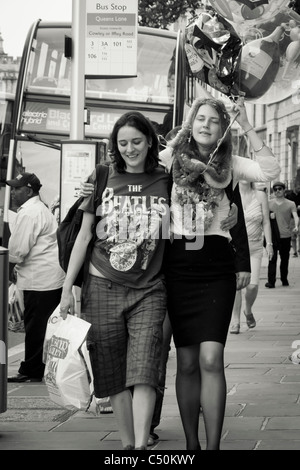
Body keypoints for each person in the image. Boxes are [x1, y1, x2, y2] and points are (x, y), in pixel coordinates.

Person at [159, 96, 280, 450]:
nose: (207, 124)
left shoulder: (230, 164)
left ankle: (212, 447)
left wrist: (246, 125)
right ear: (191, 123)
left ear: (222, 128)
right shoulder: (171, 158)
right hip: (178, 265)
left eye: (214, 120)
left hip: (216, 268)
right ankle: (191, 446)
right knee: (186, 361)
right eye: (200, 118)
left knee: (211, 357)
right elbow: (135, 165)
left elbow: (270, 172)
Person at [59, 112, 170, 451]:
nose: (130, 149)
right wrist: (67, 289)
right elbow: (83, 237)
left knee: (145, 369)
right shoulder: (103, 176)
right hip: (101, 286)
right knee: (113, 374)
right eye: (123, 143)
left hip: (149, 289)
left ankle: (139, 447)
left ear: (149, 141)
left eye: (136, 141)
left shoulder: (166, 179)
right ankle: (127, 446)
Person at [6, 172, 65, 383]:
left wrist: (8, 270)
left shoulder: (30, 212)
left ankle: (32, 369)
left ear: (28, 190)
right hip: (47, 277)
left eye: (16, 188)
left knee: (36, 327)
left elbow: (17, 250)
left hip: (40, 279)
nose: (12, 192)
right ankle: (36, 367)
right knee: (41, 326)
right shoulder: (39, 208)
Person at [230, 181, 274, 334]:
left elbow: (266, 222)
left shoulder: (260, 195)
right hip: (236, 248)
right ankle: (235, 321)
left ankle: (247, 310)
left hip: (255, 247)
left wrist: (269, 243)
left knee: (252, 285)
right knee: (237, 286)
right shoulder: (231, 194)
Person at [265, 181, 299, 288]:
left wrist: (297, 226)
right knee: (272, 259)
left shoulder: (291, 204)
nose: (277, 191)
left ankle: (284, 279)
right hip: (273, 236)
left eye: (279, 189)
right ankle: (271, 282)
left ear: (284, 190)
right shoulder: (268, 203)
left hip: (286, 235)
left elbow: (296, 216)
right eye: (275, 189)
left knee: (285, 259)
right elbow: (264, 218)